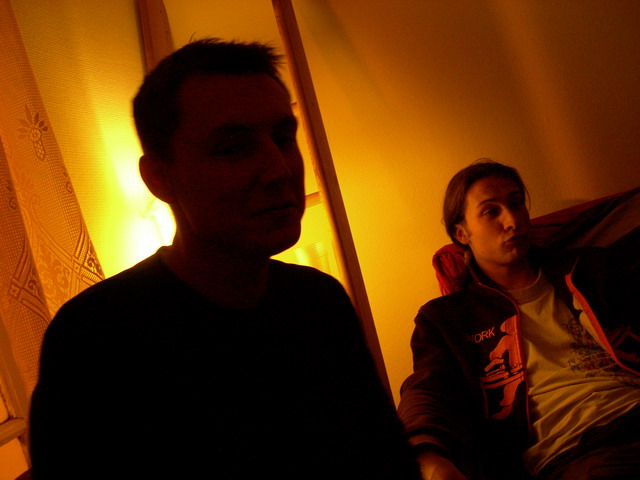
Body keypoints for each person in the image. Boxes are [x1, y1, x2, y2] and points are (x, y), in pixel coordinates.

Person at [29, 39, 421, 479]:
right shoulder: (96, 341)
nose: (280, 170)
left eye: (283, 138)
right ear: (159, 177)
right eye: (233, 148)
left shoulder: (320, 302)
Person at [398, 159, 640, 480]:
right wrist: (427, 456)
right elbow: (428, 391)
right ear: (461, 233)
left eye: (516, 203)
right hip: (579, 448)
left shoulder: (590, 267)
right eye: (491, 211)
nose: (512, 220)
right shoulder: (447, 319)